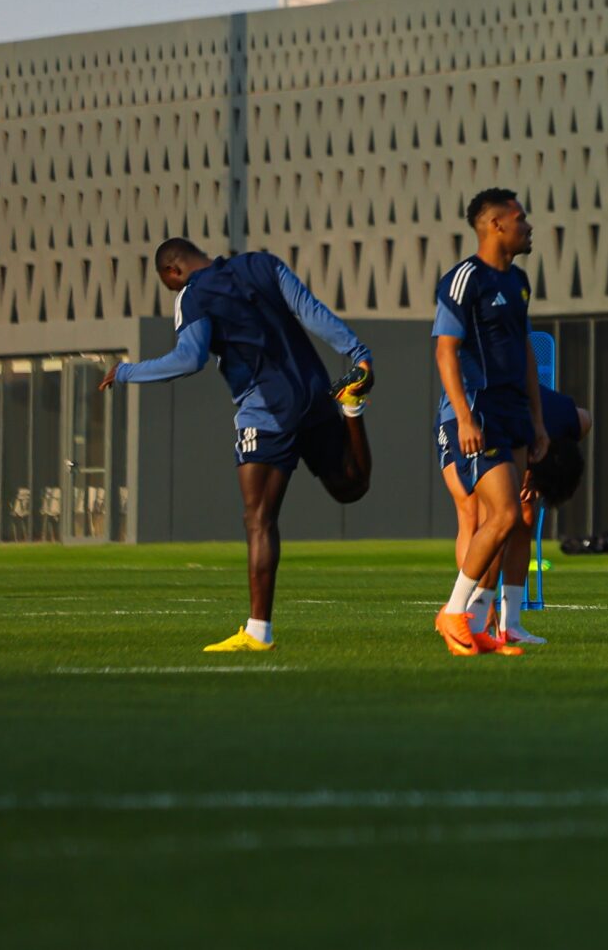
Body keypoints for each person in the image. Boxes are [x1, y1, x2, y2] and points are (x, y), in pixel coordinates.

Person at [104, 240, 374, 652]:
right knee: (350, 487)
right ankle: (352, 407)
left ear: (173, 272)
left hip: (266, 411)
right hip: (314, 393)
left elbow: (188, 359)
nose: (174, 291)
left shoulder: (193, 295)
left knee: (259, 519)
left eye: (169, 285)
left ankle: (258, 632)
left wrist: (125, 372)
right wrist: (356, 352)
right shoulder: (263, 264)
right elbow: (309, 310)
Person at [431, 188, 549, 658]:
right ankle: (454, 613)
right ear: (496, 224)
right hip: (479, 411)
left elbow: (523, 351)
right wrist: (463, 417)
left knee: (517, 518)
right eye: (521, 218)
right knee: (497, 515)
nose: (529, 225)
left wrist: (537, 422)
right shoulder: (464, 279)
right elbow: (445, 350)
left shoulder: (518, 282)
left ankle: (483, 626)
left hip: (514, 412)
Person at [445, 380, 590, 648]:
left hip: (508, 425)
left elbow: (585, 418)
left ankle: (510, 625)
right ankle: (466, 610)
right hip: (461, 418)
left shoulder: (571, 421)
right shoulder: (514, 420)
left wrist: (532, 478)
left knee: (523, 517)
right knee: (476, 514)